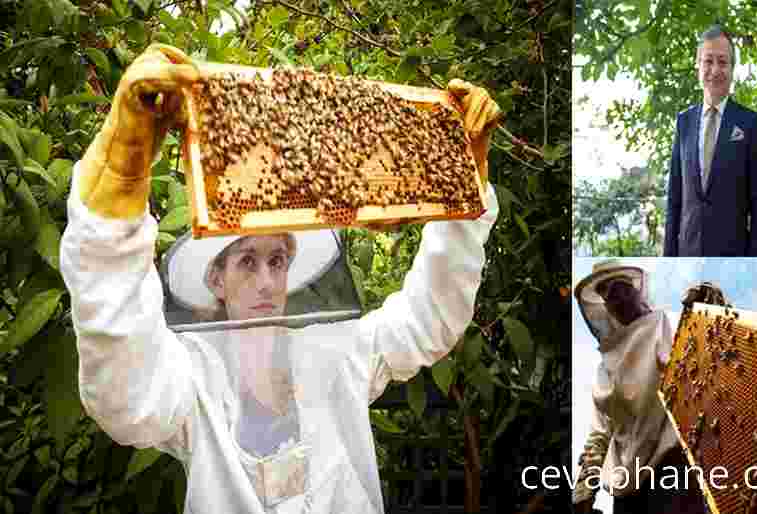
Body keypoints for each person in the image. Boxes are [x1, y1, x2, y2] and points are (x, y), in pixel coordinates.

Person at [59, 44, 501, 513]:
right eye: (247, 262)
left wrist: (465, 189)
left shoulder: (336, 353)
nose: (268, 280)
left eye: (278, 261)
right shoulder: (193, 376)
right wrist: (118, 184)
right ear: (217, 280)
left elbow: (430, 318)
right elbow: (125, 398)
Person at [572, 260, 708, 514]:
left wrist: (708, 307)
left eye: (622, 290)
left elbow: (705, 363)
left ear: (637, 290)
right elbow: (601, 430)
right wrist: (585, 485)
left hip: (673, 466)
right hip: (627, 484)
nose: (618, 300)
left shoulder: (668, 325)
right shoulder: (606, 365)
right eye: (609, 296)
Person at [663, 25, 757, 257]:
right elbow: (674, 199)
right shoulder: (684, 122)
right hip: (687, 258)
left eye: (722, 62)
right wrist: (668, 261)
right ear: (697, 66)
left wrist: (754, 264)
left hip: (733, 259)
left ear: (732, 69)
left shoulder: (749, 123)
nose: (715, 69)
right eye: (708, 61)